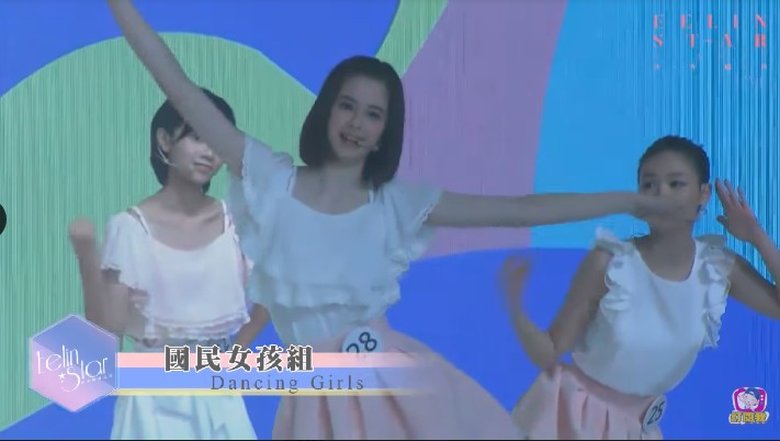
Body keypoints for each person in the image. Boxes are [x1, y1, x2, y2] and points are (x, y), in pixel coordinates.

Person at [105, 1, 687, 437]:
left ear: (387, 130)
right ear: (326, 109)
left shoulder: (396, 205)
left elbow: (519, 208)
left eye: (373, 114)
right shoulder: (272, 181)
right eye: (347, 106)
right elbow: (179, 87)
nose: (357, 123)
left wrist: (626, 202)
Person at [502, 136, 780, 439]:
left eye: (675, 184)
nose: (660, 195)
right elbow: (550, 351)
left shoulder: (716, 268)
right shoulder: (610, 263)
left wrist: (756, 235)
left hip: (639, 427)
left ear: (703, 194)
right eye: (649, 185)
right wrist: (514, 308)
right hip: (571, 418)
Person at [67, 90, 268, 440]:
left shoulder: (237, 221)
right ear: (164, 140)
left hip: (218, 394)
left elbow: (273, 294)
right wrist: (87, 255)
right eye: (197, 137)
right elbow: (107, 334)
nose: (209, 152)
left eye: (218, 142)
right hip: (152, 401)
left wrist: (233, 356)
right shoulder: (129, 229)